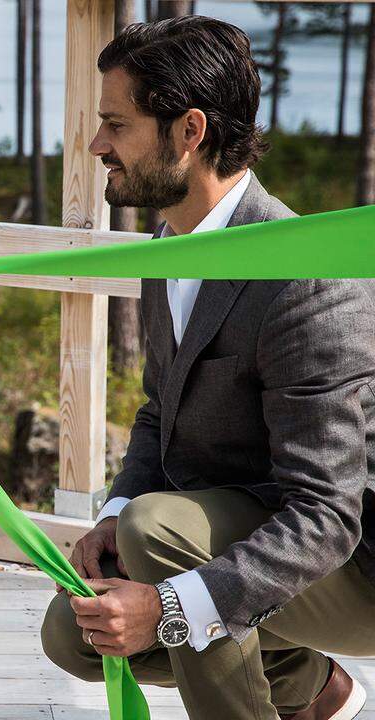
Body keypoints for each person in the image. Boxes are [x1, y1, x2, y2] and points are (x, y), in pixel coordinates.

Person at [39, 16, 375, 720]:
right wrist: (114, 511)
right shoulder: (173, 249)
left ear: (189, 133)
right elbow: (161, 408)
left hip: (352, 568)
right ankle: (313, 690)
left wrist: (163, 603)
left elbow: (328, 515)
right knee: (76, 633)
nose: (98, 145)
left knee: (159, 535)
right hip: (244, 532)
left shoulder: (304, 280)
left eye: (116, 124)